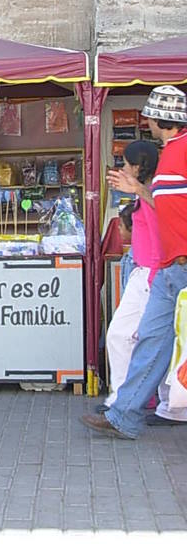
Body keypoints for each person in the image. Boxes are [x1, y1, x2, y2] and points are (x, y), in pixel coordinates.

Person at [81, 85, 187, 439]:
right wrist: (139, 191)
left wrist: (138, 190)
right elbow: (167, 207)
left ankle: (131, 412)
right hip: (172, 267)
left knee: (153, 341)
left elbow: (170, 208)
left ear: (159, 119)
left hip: (175, 267)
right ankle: (124, 415)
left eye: (150, 115)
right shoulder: (173, 152)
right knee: (152, 341)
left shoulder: (180, 153)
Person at [99, 142, 161, 413]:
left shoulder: (153, 190)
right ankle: (134, 398)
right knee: (130, 336)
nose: (123, 169)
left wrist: (137, 188)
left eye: (125, 164)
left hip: (152, 273)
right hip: (145, 271)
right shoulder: (144, 193)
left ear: (137, 166)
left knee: (124, 335)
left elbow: (166, 210)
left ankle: (126, 399)